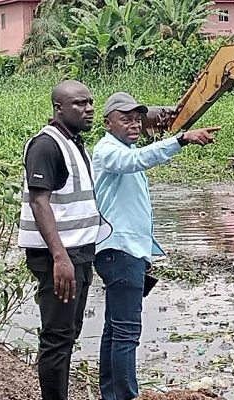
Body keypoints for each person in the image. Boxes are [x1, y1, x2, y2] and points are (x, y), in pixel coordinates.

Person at [92, 92, 218, 400]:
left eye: (137, 119)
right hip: (118, 251)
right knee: (126, 332)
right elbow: (137, 160)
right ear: (108, 123)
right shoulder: (109, 151)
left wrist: (146, 253)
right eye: (126, 120)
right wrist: (181, 139)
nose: (134, 125)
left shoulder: (124, 148)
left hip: (126, 251)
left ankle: (111, 394)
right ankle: (123, 395)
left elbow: (133, 208)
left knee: (114, 329)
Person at [18, 80, 111, 400]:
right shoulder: (47, 145)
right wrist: (60, 258)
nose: (88, 109)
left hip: (79, 254)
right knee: (57, 338)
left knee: (69, 333)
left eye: (90, 103)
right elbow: (38, 202)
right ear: (58, 108)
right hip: (60, 257)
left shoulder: (74, 142)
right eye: (79, 104)